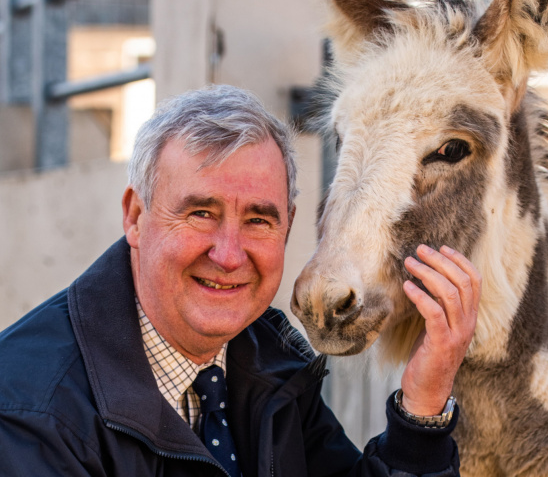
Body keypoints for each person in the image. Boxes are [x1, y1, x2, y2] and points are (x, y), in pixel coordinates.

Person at [0, 85, 480, 476]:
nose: (229, 255)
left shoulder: (266, 355)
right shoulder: (29, 411)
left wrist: (423, 403)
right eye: (201, 213)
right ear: (136, 216)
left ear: (288, 227)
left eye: (258, 220)